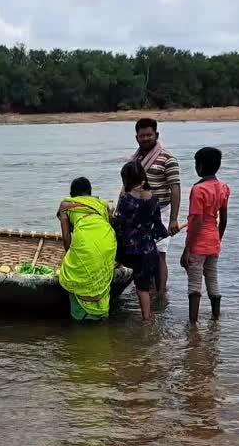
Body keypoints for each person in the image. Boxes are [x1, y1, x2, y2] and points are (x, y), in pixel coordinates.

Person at [123, 118, 181, 295]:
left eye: (149, 135)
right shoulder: (135, 159)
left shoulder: (168, 158)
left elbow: (175, 188)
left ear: (156, 135)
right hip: (137, 213)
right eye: (142, 136)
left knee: (160, 253)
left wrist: (173, 219)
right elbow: (127, 185)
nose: (146, 138)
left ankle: (161, 293)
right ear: (137, 138)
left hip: (161, 211)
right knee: (140, 252)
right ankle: (145, 289)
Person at [180, 147, 231, 324]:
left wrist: (187, 249)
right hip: (213, 241)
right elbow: (223, 219)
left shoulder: (198, 189)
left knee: (194, 285)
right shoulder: (223, 188)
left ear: (200, 166)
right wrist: (218, 239)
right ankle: (215, 318)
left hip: (198, 243)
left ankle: (192, 324)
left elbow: (196, 221)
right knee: (212, 278)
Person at [113, 161, 168, 321]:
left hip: (130, 250)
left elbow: (119, 225)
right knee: (143, 288)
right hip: (149, 250)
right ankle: (146, 319)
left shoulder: (126, 200)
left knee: (111, 258)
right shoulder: (153, 200)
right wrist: (166, 232)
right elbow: (159, 228)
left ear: (127, 179)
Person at [57, 177, 117, 321]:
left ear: (72, 194)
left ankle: (80, 321)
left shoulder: (66, 205)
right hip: (108, 243)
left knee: (72, 273)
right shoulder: (102, 204)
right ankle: (101, 314)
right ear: (90, 192)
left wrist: (69, 257)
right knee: (100, 269)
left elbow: (66, 238)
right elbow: (111, 225)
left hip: (85, 243)